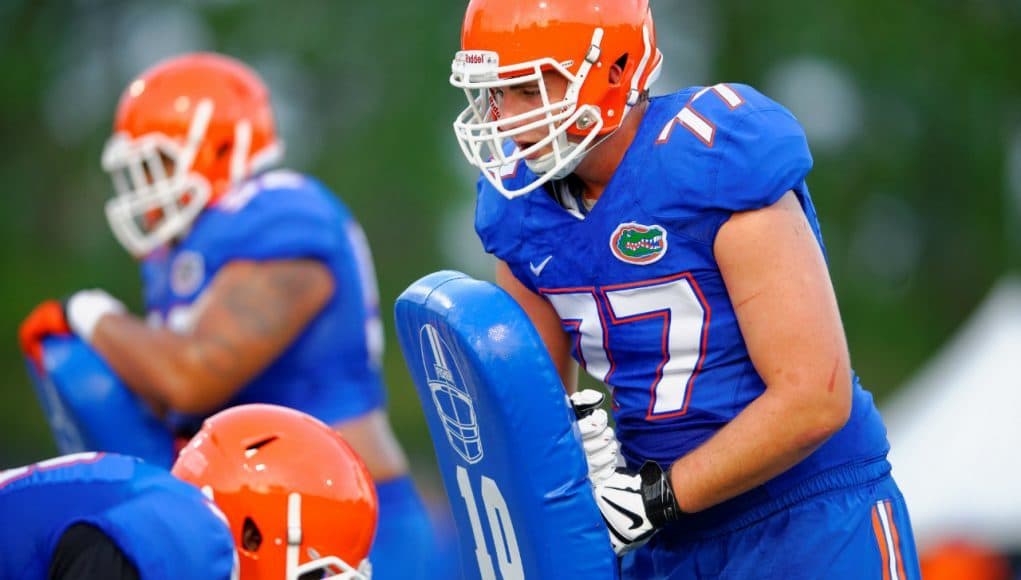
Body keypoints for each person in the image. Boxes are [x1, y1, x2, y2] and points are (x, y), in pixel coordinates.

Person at [448, 1, 921, 578]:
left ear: (615, 72)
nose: (506, 119)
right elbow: (539, 408)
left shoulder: (713, 153)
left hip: (807, 517)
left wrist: (659, 498)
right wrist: (584, 472)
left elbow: (813, 398)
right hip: (667, 537)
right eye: (497, 92)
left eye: (528, 88)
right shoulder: (518, 209)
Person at [18, 52, 435, 579]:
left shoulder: (278, 213)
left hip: (349, 525)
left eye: (160, 162)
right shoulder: (180, 252)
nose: (146, 187)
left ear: (220, 146)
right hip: (252, 523)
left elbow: (192, 376)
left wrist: (92, 316)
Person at [0, 403, 378, 580]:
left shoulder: (163, 512)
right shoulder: (193, 534)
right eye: (315, 577)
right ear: (253, 534)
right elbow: (94, 555)